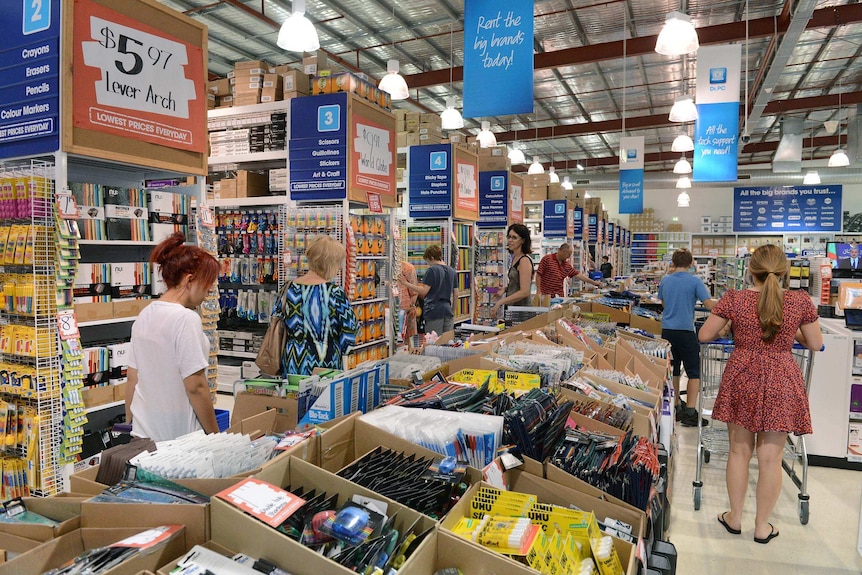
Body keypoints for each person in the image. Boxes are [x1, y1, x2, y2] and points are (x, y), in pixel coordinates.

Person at [698, 244, 822, 544]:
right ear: (784, 272)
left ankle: (734, 517)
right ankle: (763, 526)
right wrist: (788, 329)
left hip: (742, 374)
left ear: (749, 271)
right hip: (781, 377)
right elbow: (815, 343)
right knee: (771, 459)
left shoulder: (734, 299)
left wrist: (732, 328)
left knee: (739, 453)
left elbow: (704, 335)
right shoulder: (798, 301)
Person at [126, 232, 220, 442]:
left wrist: (130, 423)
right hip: (178, 439)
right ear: (189, 280)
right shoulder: (185, 319)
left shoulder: (145, 314)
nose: (208, 293)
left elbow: (133, 376)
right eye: (207, 285)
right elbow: (195, 386)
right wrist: (216, 436)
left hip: (143, 435)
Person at [278, 235, 359, 375]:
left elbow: (276, 322)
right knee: (324, 397)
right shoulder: (334, 293)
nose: (340, 267)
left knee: (293, 396)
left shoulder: (288, 289)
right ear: (330, 263)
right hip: (327, 362)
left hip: (293, 362)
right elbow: (349, 332)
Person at [657, 248, 718, 427]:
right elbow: (708, 304)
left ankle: (676, 406)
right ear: (691, 263)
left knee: (673, 369)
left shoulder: (665, 280)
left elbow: (663, 302)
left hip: (667, 331)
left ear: (673, 263)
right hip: (686, 331)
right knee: (693, 372)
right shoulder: (694, 281)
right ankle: (690, 412)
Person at [399, 245, 456, 336]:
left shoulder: (432, 270)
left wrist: (405, 283)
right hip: (448, 311)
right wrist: (453, 310)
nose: (428, 264)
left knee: (433, 342)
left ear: (432, 258)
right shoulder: (452, 271)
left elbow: (424, 291)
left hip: (434, 311)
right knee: (447, 342)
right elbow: (456, 293)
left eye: (428, 261)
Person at [491, 224, 534, 318]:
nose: (510, 240)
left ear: (522, 240)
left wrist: (501, 302)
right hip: (513, 310)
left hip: (521, 312)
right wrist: (505, 289)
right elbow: (518, 284)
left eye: (514, 238)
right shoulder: (515, 258)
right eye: (509, 237)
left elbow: (524, 291)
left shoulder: (524, 261)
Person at [536, 243, 602, 298]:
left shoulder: (566, 265)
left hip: (559, 296)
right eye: (569, 254)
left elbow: (578, 275)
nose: (569, 257)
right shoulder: (547, 259)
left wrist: (593, 282)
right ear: (562, 251)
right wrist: (538, 291)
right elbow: (539, 275)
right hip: (545, 296)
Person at [397, 261, 419, 342]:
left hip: (407, 312)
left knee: (411, 342)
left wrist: (411, 306)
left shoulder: (408, 268)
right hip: (388, 313)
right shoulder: (381, 266)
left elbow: (414, 292)